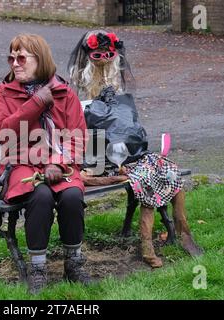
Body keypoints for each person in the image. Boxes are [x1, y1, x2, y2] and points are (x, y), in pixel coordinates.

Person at [68, 30, 203, 268]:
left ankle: (184, 232)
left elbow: (130, 128)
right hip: (100, 159)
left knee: (169, 171)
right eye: (97, 55)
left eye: (109, 55)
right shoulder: (80, 96)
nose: (104, 61)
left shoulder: (119, 95)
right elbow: (84, 139)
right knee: (145, 179)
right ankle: (147, 248)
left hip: (131, 153)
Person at [0, 34, 91, 294]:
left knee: (70, 195)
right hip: (21, 166)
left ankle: (74, 263)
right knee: (41, 194)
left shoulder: (64, 93)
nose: (15, 63)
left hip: (60, 164)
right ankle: (38, 268)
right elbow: (3, 134)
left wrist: (58, 162)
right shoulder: (3, 92)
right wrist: (36, 103)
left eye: (21, 58)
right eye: (11, 58)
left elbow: (77, 136)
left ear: (40, 59)